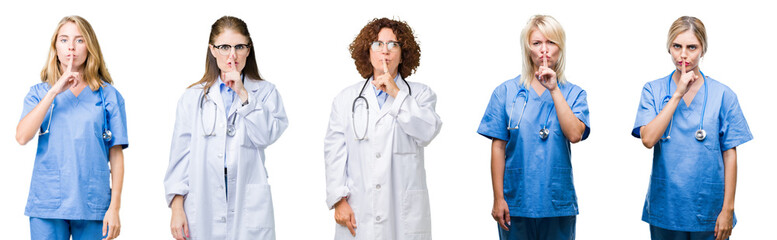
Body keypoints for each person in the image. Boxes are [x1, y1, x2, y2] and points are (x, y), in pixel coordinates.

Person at [164, 16, 288, 240]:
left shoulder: (265, 93)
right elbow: (180, 157)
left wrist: (243, 94)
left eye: (239, 46)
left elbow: (266, 136)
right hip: (202, 204)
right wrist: (176, 208)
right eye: (224, 47)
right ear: (212, 50)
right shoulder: (192, 98)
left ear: (248, 50)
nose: (233, 55)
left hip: (247, 205)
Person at [632, 16, 752, 240]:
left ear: (703, 49)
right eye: (677, 46)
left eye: (692, 47)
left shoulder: (723, 95)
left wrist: (728, 209)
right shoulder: (653, 90)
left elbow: (730, 155)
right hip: (666, 207)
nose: (683, 55)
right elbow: (648, 139)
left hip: (709, 208)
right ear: (669, 48)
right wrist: (677, 94)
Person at [324, 17, 442, 240]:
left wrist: (397, 94)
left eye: (393, 44)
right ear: (367, 52)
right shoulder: (345, 99)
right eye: (378, 44)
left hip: (404, 215)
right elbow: (334, 154)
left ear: (403, 52)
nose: (385, 51)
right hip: (358, 211)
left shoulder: (420, 95)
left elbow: (427, 132)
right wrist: (339, 200)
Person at [477, 15, 590, 240]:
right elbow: (498, 148)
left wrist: (554, 89)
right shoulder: (505, 92)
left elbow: (575, 134)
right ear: (527, 48)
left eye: (551, 42)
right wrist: (498, 198)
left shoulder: (574, 93)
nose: (544, 50)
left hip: (556, 202)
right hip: (516, 202)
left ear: (561, 48)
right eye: (537, 43)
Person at [16, 15, 126, 240]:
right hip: (48, 204)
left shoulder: (109, 96)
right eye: (64, 40)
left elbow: (116, 157)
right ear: (55, 47)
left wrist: (114, 209)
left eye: (79, 40)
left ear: (90, 46)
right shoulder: (39, 93)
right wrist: (54, 90)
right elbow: (22, 136)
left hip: (93, 204)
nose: (71, 48)